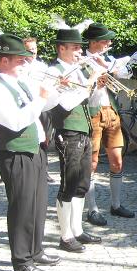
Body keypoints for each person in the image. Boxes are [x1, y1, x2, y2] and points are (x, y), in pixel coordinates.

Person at [0, 33, 60, 271]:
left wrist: (54, 89)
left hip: (34, 148)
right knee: (21, 208)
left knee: (38, 204)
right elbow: (15, 121)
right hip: (15, 152)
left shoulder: (18, 82)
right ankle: (21, 261)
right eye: (20, 60)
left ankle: (35, 251)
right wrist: (40, 97)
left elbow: (45, 106)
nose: (25, 64)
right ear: (3, 61)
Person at [48, 28, 104, 252]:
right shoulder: (54, 71)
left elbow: (90, 104)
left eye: (80, 47)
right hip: (68, 130)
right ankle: (65, 236)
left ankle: (77, 230)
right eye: (75, 48)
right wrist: (90, 80)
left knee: (82, 184)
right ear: (61, 48)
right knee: (68, 183)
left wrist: (97, 88)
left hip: (84, 129)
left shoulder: (79, 71)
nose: (80, 52)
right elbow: (66, 104)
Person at [82, 23, 135, 226]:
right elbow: (82, 89)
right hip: (92, 113)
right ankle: (92, 209)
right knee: (92, 163)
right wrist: (96, 81)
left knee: (117, 161)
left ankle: (116, 204)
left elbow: (126, 75)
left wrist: (116, 66)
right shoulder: (82, 61)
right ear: (94, 42)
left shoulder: (108, 60)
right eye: (105, 40)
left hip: (111, 110)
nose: (109, 43)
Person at [22, 37, 56, 183]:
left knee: (45, 139)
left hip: (43, 106)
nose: (33, 52)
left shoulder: (42, 67)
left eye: (35, 49)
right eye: (30, 50)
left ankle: (44, 170)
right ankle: (30, 169)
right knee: (30, 137)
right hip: (27, 106)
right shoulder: (19, 66)